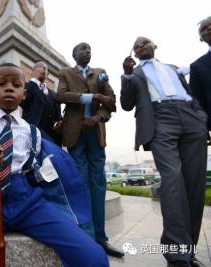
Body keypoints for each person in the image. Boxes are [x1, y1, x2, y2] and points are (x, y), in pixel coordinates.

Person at [0, 63, 108, 267]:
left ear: (24, 94)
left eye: (16, 84)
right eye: (1, 83)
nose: (9, 87)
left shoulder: (33, 132)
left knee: (94, 257)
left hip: (29, 204)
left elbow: (36, 172)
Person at [121, 37, 207, 267]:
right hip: (159, 120)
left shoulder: (172, 68)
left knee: (194, 186)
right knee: (172, 181)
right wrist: (127, 76)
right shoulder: (135, 73)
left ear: (154, 46)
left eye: (145, 42)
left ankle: (188, 252)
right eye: (136, 45)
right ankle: (177, 256)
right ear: (135, 54)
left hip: (192, 117)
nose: (140, 46)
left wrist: (201, 117)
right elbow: (127, 104)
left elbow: (192, 90)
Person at [56, 42, 122, 258]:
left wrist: (98, 116)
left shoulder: (100, 74)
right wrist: (90, 97)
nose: (87, 51)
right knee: (80, 184)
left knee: (98, 186)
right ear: (74, 54)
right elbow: (61, 96)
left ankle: (101, 238)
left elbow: (112, 102)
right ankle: (85, 237)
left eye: (89, 49)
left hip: (96, 134)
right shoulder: (65, 72)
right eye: (82, 49)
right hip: (75, 133)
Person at [20, 61, 62, 146]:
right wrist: (34, 79)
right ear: (33, 71)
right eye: (40, 67)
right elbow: (22, 102)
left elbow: (57, 115)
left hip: (53, 134)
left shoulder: (53, 93)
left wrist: (60, 122)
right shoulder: (26, 86)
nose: (44, 69)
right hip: (33, 129)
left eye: (46, 68)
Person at [190, 16, 211, 131]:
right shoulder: (197, 66)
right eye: (204, 28)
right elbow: (198, 102)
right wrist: (204, 128)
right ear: (201, 39)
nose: (209, 28)